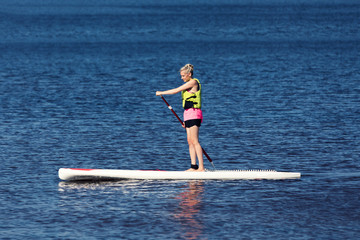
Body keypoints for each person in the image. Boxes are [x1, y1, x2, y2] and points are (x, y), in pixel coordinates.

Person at [156, 64, 204, 172]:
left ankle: (201, 167)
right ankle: (193, 166)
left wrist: (161, 93)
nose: (182, 78)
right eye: (181, 76)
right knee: (189, 141)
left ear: (189, 74)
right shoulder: (188, 84)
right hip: (187, 114)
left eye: (183, 76)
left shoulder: (193, 82)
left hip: (195, 113)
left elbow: (175, 90)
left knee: (195, 141)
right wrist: (185, 121)